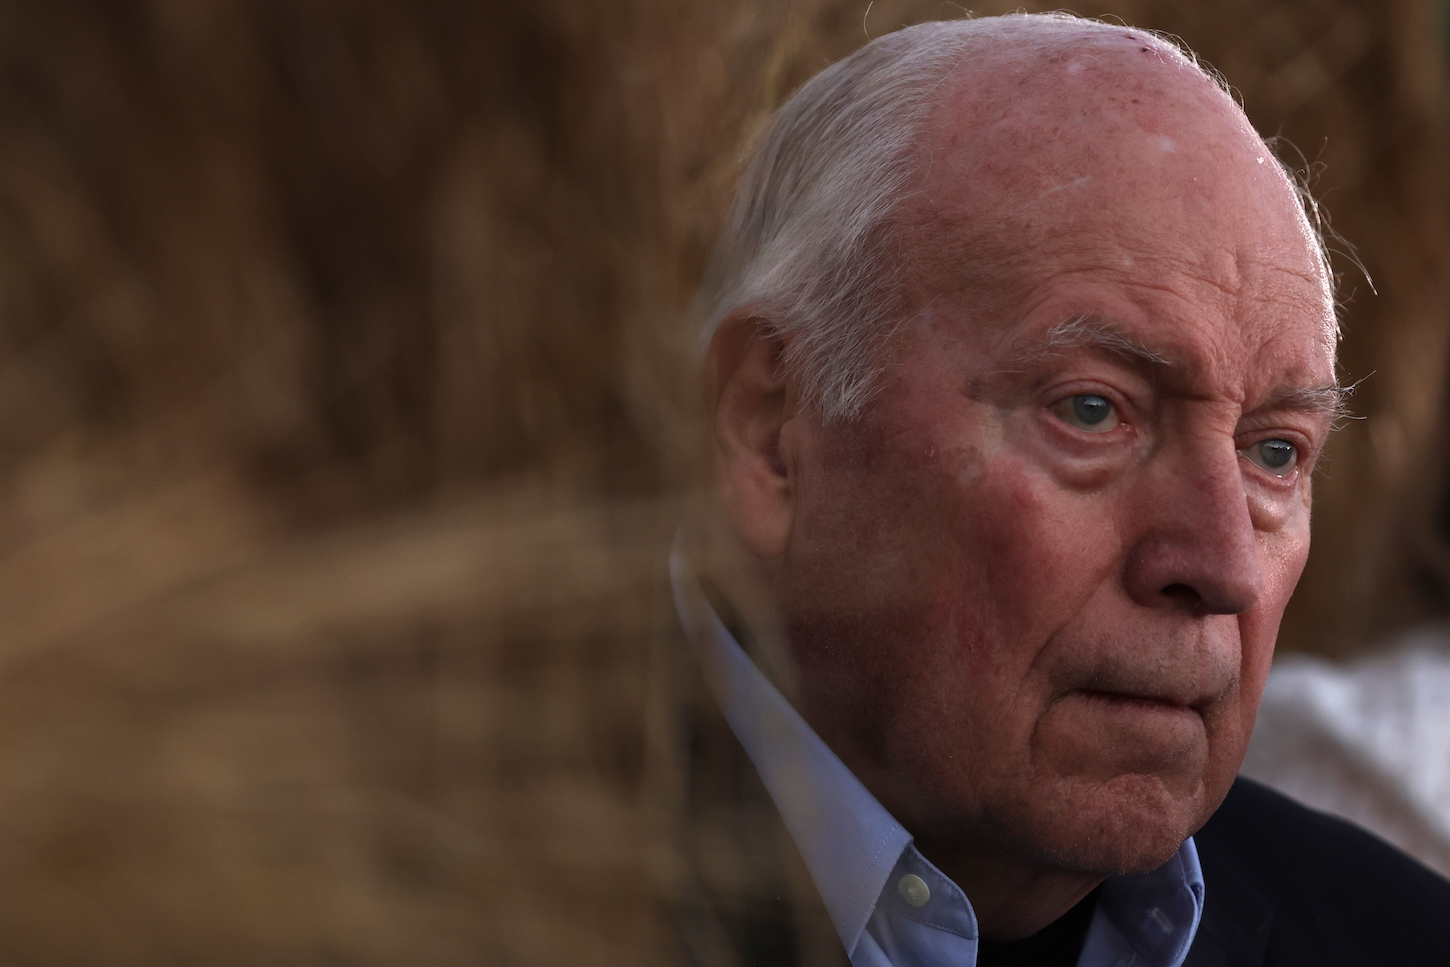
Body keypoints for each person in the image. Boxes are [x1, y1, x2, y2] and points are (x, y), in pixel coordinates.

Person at [668, 12, 1450, 967]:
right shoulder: (480, 883)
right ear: (771, 434)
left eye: (1275, 453)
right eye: (1092, 411)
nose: (1223, 565)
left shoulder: (1397, 935)